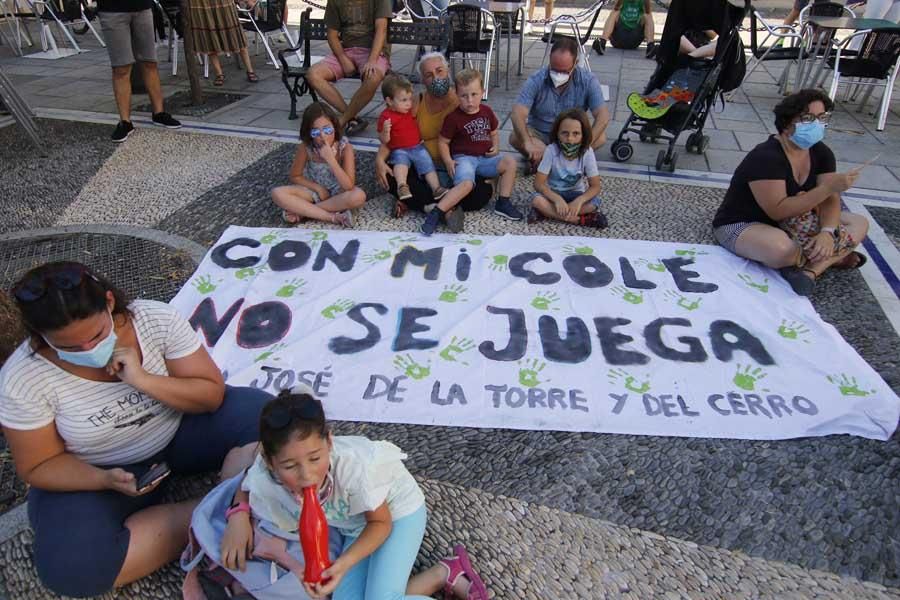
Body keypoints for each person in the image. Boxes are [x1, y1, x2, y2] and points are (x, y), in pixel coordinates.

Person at [0, 261, 271, 597]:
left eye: (96, 335)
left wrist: (144, 380)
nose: (88, 350)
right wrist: (103, 479)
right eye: (70, 347)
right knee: (72, 570)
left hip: (179, 431)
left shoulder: (153, 319)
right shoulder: (23, 379)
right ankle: (210, 510)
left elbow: (211, 394)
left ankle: (234, 504)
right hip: (97, 467)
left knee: (267, 416)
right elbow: (39, 465)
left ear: (109, 302)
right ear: (40, 336)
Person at [216, 387, 490, 599]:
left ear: (329, 442)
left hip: (396, 512)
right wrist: (238, 516)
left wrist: (343, 564)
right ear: (271, 461)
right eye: (290, 466)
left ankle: (445, 574)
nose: (307, 475)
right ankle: (445, 572)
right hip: (354, 526)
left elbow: (381, 523)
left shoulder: (353, 469)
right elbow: (249, 482)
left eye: (315, 458)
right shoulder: (266, 473)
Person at [712, 89, 869, 296]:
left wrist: (827, 232)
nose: (816, 124)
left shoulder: (821, 153)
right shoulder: (767, 157)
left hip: (797, 222)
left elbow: (831, 200)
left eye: (822, 118)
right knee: (782, 250)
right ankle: (832, 257)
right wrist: (827, 188)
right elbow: (778, 210)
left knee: (860, 222)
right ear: (787, 123)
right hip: (746, 222)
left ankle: (811, 271)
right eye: (807, 118)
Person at [374, 52, 494, 230]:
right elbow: (397, 135)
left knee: (483, 191)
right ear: (422, 80)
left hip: (457, 169)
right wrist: (379, 159)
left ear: (448, 72)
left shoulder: (466, 99)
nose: (436, 78)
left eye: (439, 71)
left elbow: (487, 132)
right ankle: (446, 208)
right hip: (424, 168)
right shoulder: (415, 103)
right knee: (392, 176)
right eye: (429, 75)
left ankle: (424, 205)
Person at [427, 68, 522, 235]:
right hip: (464, 159)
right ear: (456, 94)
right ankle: (437, 212)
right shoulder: (453, 118)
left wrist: (496, 146)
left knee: (510, 162)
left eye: (474, 94)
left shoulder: (487, 112)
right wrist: (448, 160)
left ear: (482, 92)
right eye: (464, 96)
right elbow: (443, 141)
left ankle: (503, 202)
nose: (469, 101)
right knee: (466, 184)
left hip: (485, 159)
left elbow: (493, 132)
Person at [510, 37, 610, 171]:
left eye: (564, 71)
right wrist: (528, 143)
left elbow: (603, 116)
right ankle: (562, 160)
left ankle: (547, 160)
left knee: (601, 137)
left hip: (571, 136)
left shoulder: (588, 80)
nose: (558, 75)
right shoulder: (537, 79)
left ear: (576, 63)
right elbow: (517, 112)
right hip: (540, 134)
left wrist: (585, 144)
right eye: (554, 69)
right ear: (549, 60)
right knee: (516, 137)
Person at [96, 0, 182, 143]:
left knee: (150, 62)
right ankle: (125, 122)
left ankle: (159, 112)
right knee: (121, 67)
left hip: (142, 7)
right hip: (112, 10)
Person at [303, 0, 393, 135]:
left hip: (373, 51)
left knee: (373, 77)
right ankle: (353, 117)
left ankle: (342, 120)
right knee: (313, 74)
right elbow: (332, 35)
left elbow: (381, 30)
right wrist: (342, 58)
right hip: (346, 50)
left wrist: (372, 60)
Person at [272, 102, 366, 227]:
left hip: (339, 193)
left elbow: (348, 185)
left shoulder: (345, 148)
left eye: (327, 130)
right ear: (309, 134)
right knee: (277, 193)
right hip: (313, 192)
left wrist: (331, 160)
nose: (323, 136)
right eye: (316, 132)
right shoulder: (306, 147)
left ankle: (304, 212)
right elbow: (295, 176)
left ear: (335, 126)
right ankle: (332, 217)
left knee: (359, 196)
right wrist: (318, 188)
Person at [528, 108, 608, 229]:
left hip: (576, 194)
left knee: (594, 203)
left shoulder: (587, 152)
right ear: (557, 133)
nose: (570, 139)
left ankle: (548, 213)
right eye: (565, 133)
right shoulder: (551, 150)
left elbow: (595, 186)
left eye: (576, 134)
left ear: (583, 134)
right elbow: (538, 184)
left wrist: (580, 200)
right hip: (553, 193)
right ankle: (578, 220)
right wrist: (556, 199)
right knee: (536, 200)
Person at [377, 75, 447, 203]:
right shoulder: (386, 117)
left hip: (417, 146)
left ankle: (436, 188)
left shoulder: (409, 110)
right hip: (399, 149)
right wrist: (385, 132)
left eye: (409, 99)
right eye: (403, 100)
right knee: (400, 164)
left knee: (427, 165)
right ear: (389, 101)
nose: (408, 104)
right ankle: (402, 186)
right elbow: (383, 140)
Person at [187, 0, 258, 86]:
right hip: (201, 4)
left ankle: (250, 70)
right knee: (209, 37)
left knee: (236, 36)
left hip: (224, 4)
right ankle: (219, 73)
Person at [593, 0, 657, 58]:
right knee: (615, 12)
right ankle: (602, 43)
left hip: (634, 39)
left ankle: (650, 46)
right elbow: (616, 8)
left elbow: (648, 11)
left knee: (647, 15)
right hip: (618, 38)